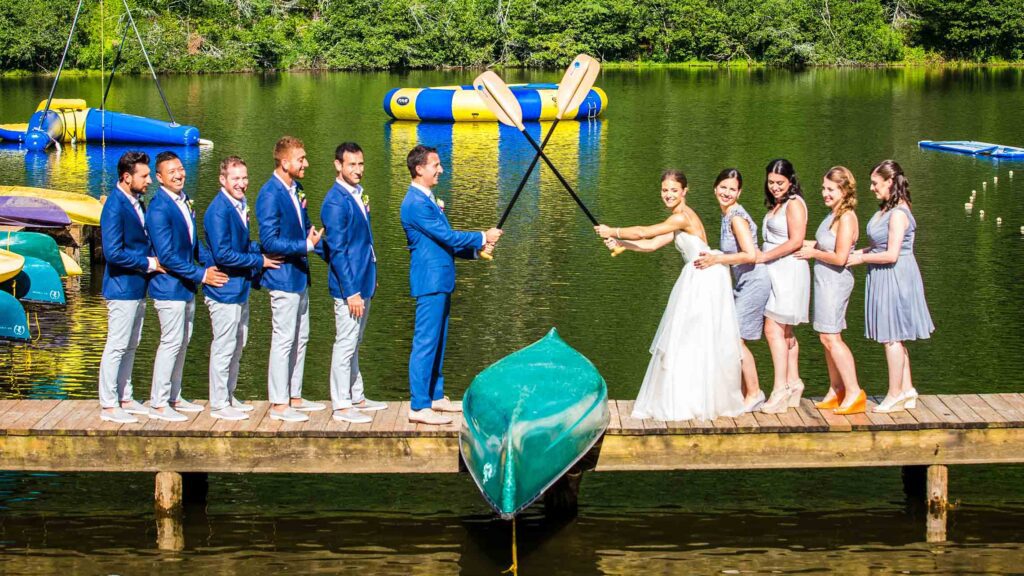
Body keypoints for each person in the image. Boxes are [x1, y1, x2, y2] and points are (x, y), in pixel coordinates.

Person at [597, 169, 744, 421]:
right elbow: (651, 244)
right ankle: (688, 397)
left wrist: (614, 231)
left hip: (702, 279)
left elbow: (645, 231)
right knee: (685, 339)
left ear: (685, 191)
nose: (668, 194)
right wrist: (623, 245)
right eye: (665, 190)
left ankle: (693, 400)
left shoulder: (682, 218)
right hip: (698, 277)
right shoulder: (677, 219)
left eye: (674, 190)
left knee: (688, 338)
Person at [400, 145, 502, 425]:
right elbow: (446, 235)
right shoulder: (415, 203)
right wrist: (482, 235)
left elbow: (443, 242)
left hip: (441, 279)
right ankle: (419, 406)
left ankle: (434, 396)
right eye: (435, 165)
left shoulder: (428, 200)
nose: (441, 169)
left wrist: (476, 250)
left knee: (439, 341)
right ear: (419, 169)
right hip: (429, 281)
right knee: (425, 342)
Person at [846, 160, 934, 413]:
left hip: (896, 276)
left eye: (876, 183)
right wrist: (853, 253)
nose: (872, 188)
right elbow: (877, 248)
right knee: (895, 336)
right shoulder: (887, 209)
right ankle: (907, 389)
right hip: (885, 274)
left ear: (890, 183)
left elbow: (891, 254)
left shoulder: (897, 214)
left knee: (891, 337)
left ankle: (894, 393)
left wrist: (861, 258)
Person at [146, 151, 228, 422]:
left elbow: (193, 244)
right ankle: (159, 403)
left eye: (180, 169)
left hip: (186, 286)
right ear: (159, 177)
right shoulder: (158, 207)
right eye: (172, 171)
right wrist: (202, 275)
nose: (179, 174)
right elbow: (167, 256)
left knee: (183, 341)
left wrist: (210, 263)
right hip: (168, 288)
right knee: (170, 342)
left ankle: (174, 396)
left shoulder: (184, 200)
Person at [203, 156, 281, 421]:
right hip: (223, 289)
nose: (241, 183)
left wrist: (263, 249)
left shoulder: (239, 204)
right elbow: (223, 254)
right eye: (235, 178)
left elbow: (243, 244)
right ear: (222, 180)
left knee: (239, 343)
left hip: (240, 288)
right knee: (224, 345)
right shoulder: (218, 210)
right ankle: (217, 403)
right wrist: (260, 260)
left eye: (244, 178)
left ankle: (228, 395)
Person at [256, 136, 325, 423]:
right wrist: (305, 247)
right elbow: (269, 241)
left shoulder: (297, 189)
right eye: (301, 159)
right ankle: (278, 404)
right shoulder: (269, 194)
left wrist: (330, 255)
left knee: (301, 337)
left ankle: (295, 396)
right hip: (282, 278)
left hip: (300, 276)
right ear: (285, 163)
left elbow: (307, 229)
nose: (306, 163)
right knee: (283, 340)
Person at [319, 142, 387, 424]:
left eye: (361, 164)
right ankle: (341, 404)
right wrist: (351, 291)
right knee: (345, 342)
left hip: (363, 280)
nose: (358, 170)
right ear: (338, 165)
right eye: (351, 165)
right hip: (349, 288)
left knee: (356, 341)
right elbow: (337, 250)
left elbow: (363, 243)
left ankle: (356, 394)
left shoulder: (357, 194)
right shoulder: (335, 202)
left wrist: (370, 275)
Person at [694, 169, 770, 412]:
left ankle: (755, 393)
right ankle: (743, 393)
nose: (726, 193)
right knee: (732, 338)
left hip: (754, 281)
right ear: (715, 188)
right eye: (723, 187)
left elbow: (750, 254)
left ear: (739, 192)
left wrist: (716, 260)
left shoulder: (736, 217)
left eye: (732, 189)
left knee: (735, 340)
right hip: (742, 282)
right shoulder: (726, 216)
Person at [98, 151, 163, 424]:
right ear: (127, 178)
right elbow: (113, 253)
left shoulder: (136, 201)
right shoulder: (114, 206)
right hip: (121, 287)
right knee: (117, 344)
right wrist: (149, 262)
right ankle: (108, 404)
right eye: (144, 176)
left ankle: (125, 396)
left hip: (136, 287)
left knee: (132, 344)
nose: (149, 181)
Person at [795, 166, 864, 415]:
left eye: (831, 189)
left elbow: (841, 257)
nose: (825, 193)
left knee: (831, 336)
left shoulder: (846, 218)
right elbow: (825, 243)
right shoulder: (833, 214)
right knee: (825, 337)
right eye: (824, 188)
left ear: (844, 190)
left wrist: (812, 253)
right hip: (823, 280)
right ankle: (836, 389)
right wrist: (797, 244)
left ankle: (854, 391)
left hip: (835, 281)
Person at [756, 159, 810, 414]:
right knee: (784, 332)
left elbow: (796, 240)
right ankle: (793, 382)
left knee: (773, 329)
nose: (775, 187)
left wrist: (765, 256)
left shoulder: (794, 204)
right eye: (771, 182)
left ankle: (779, 390)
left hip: (788, 270)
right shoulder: (778, 204)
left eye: (780, 183)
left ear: (790, 181)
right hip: (775, 271)